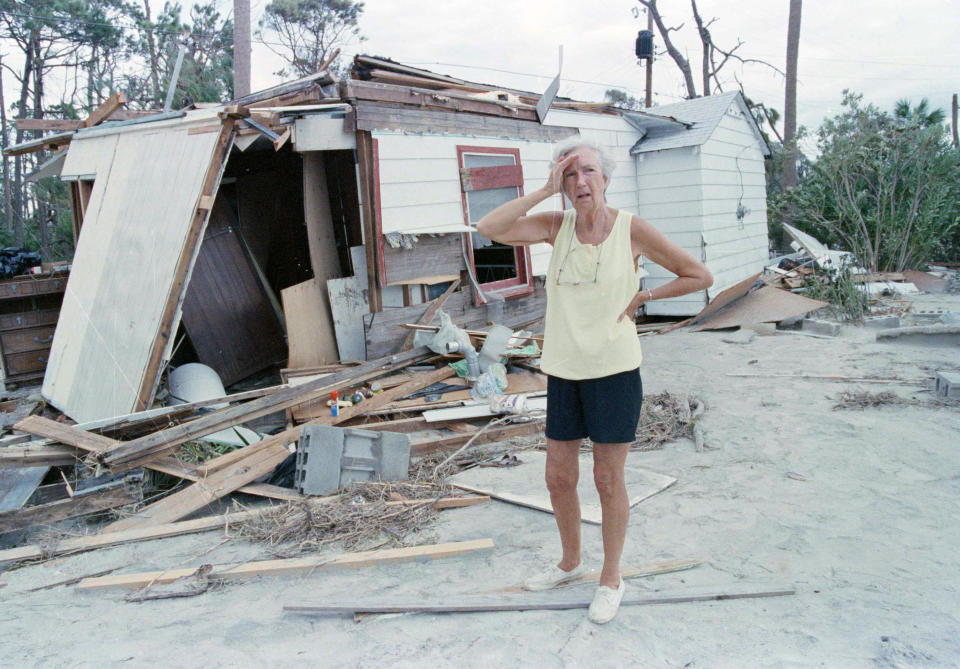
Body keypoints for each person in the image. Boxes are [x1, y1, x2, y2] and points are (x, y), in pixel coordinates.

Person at [476, 138, 713, 624]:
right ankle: (569, 562)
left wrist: (645, 294)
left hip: (614, 372)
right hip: (564, 371)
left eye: (588, 171)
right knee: (558, 477)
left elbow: (699, 274)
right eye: (568, 174)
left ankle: (610, 578)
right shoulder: (554, 227)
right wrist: (543, 189)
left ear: (605, 178)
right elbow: (489, 228)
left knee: (608, 480)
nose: (579, 182)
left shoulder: (632, 230)